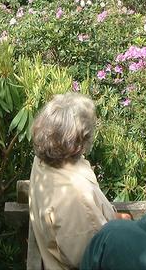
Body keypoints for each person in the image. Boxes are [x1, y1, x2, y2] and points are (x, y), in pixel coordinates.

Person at [29, 92, 129, 270]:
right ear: (77, 144)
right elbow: (89, 258)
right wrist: (122, 229)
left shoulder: (43, 159)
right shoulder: (76, 196)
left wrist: (112, 218)